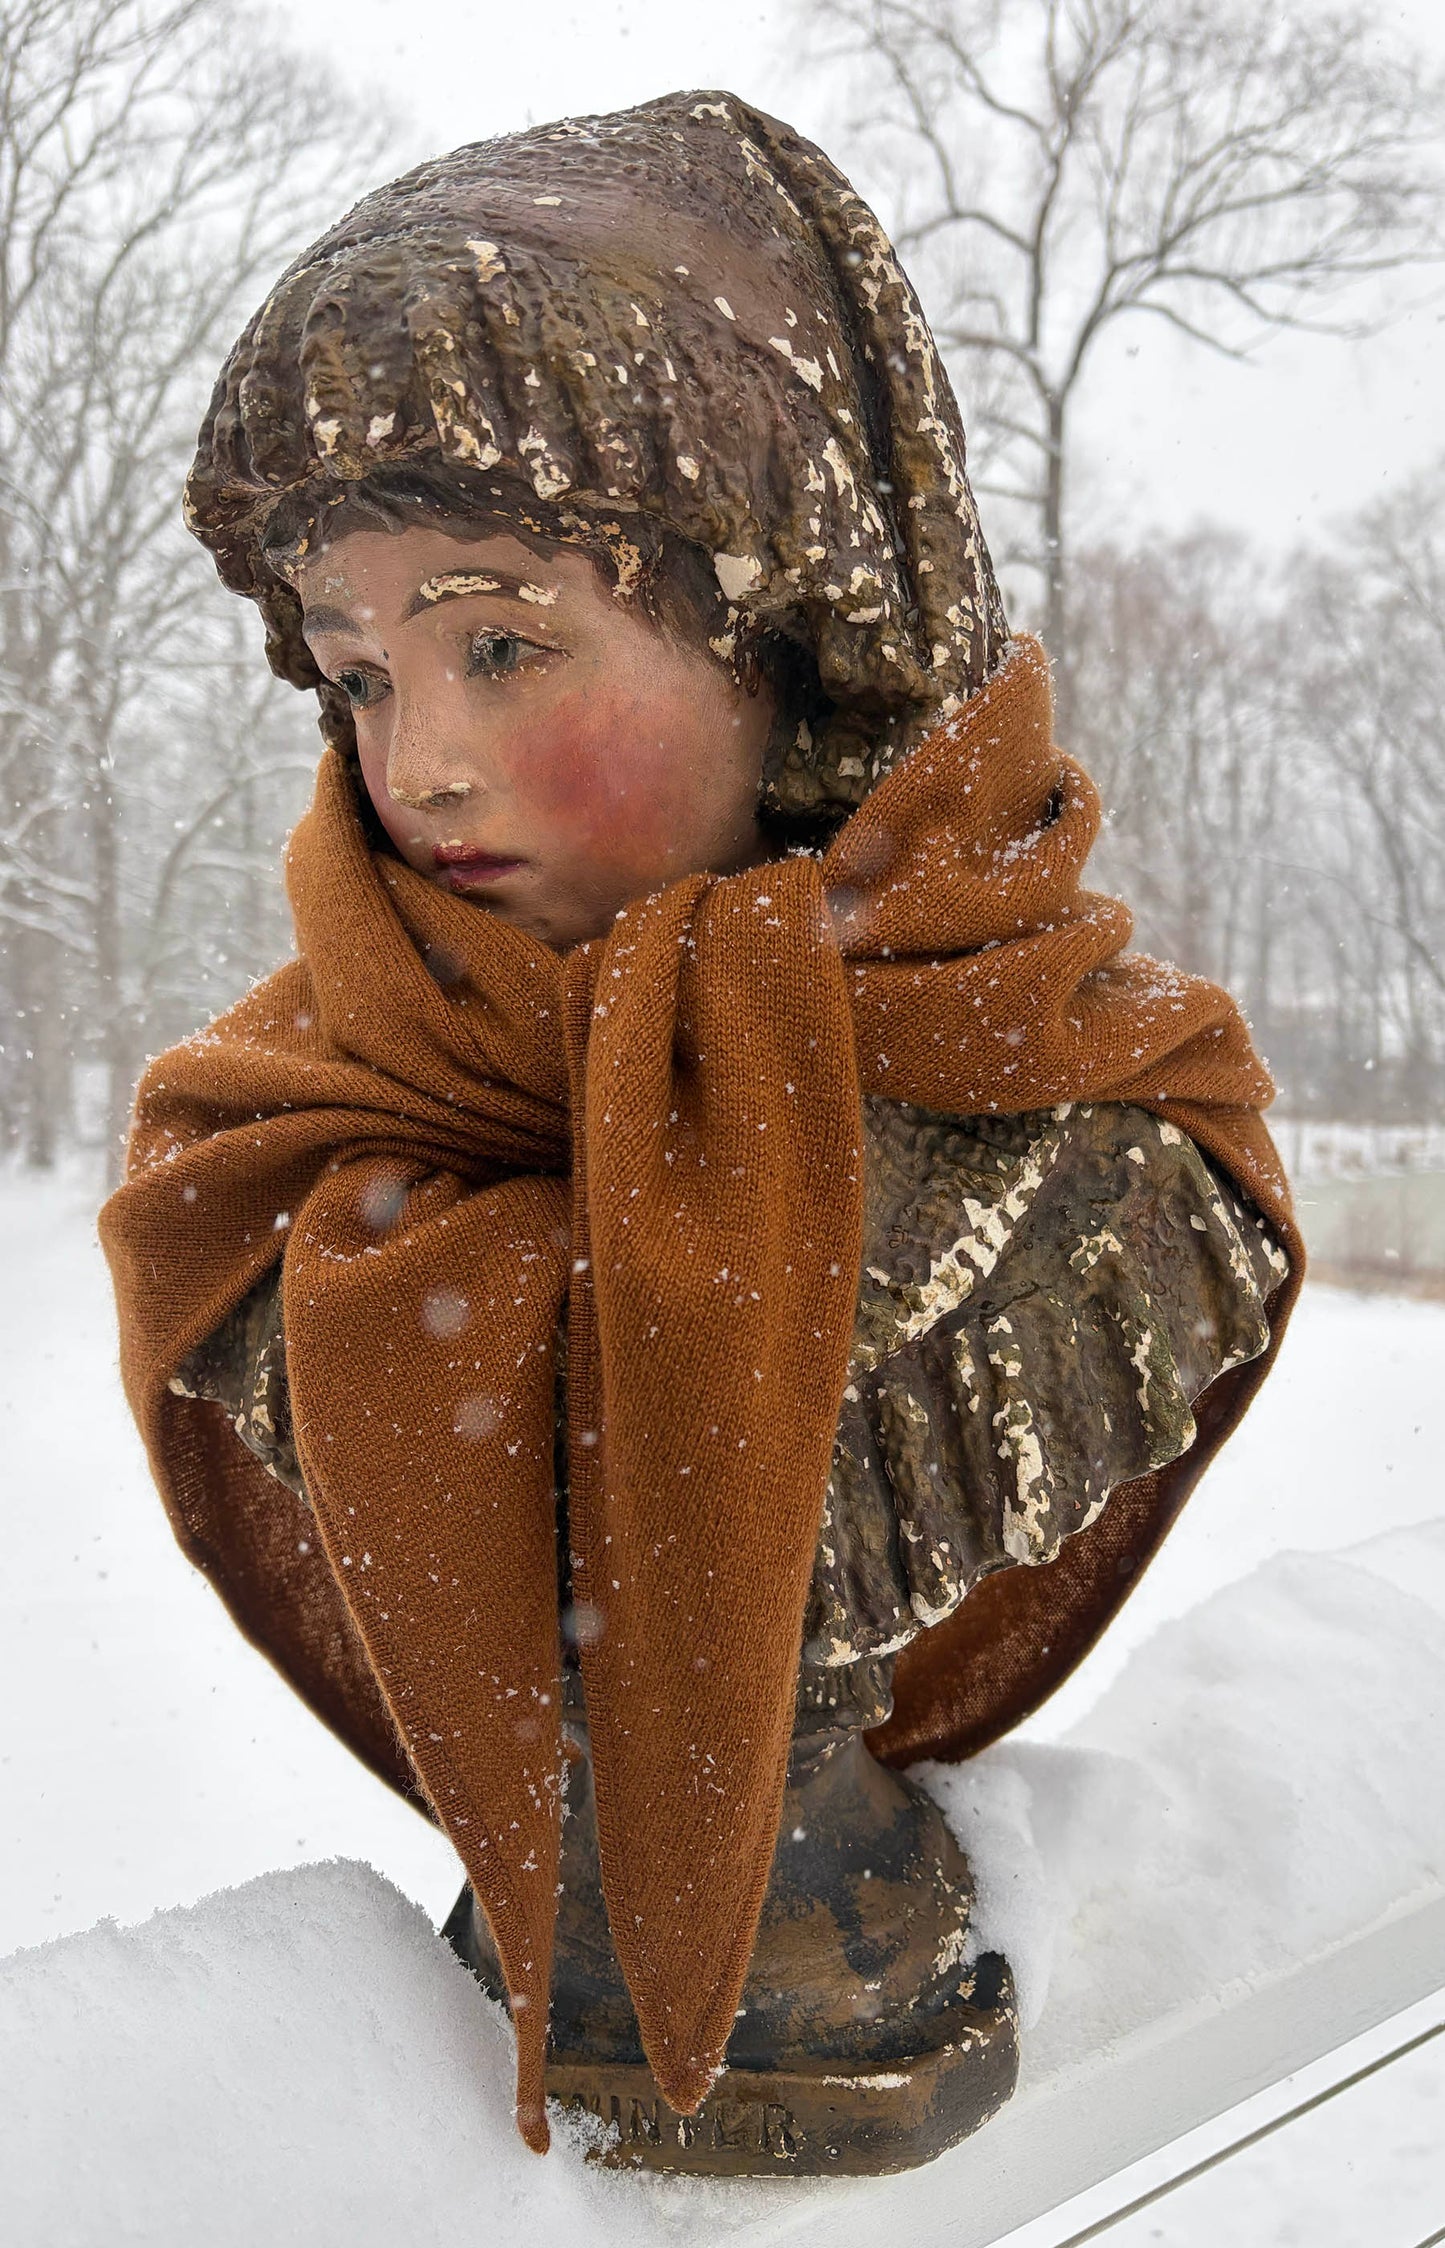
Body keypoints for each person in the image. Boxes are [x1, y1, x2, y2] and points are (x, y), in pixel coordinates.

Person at [100, 92, 1299, 2165]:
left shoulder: (1100, 1163)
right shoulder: (281, 1165)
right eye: (358, 668)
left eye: (501, 641)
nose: (422, 762)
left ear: (794, 634)